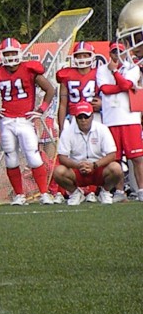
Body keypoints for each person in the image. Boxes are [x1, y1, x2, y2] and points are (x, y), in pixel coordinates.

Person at [0, 37, 56, 205]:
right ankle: (19, 195)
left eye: (13, 53)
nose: (10, 56)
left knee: (33, 156)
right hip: (6, 121)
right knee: (10, 158)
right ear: (2, 55)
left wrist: (41, 110)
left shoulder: (29, 70)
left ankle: (44, 193)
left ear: (19, 53)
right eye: (7, 53)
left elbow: (50, 89)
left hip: (25, 120)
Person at [54, 41, 101, 203]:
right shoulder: (66, 75)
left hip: (93, 116)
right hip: (73, 117)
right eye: (79, 56)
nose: (82, 58)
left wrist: (101, 104)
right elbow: (63, 103)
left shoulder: (98, 74)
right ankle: (62, 191)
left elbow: (106, 96)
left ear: (92, 56)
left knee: (94, 153)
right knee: (66, 154)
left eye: (85, 55)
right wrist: (61, 125)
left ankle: (92, 190)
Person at [96, 41, 143, 201]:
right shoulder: (102, 69)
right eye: (114, 51)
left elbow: (126, 84)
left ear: (126, 52)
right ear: (109, 53)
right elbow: (105, 89)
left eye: (120, 51)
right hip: (111, 120)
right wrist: (124, 86)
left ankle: (141, 190)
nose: (117, 55)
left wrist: (115, 72)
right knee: (115, 159)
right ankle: (119, 192)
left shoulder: (132, 68)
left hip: (130, 118)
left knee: (136, 157)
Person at [53, 101, 122, 205]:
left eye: (86, 117)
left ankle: (105, 191)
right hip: (77, 169)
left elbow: (112, 154)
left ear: (92, 116)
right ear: (75, 118)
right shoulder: (68, 131)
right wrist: (78, 165)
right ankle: (75, 193)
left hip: (98, 168)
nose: (83, 120)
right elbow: (62, 157)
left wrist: (94, 165)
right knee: (58, 172)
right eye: (80, 117)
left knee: (116, 168)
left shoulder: (102, 129)